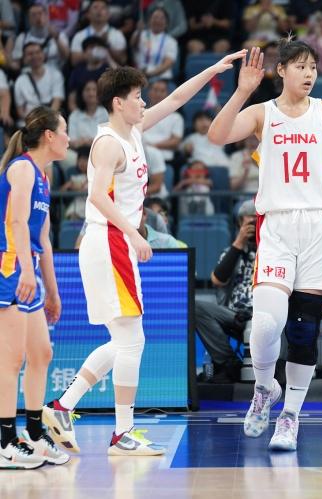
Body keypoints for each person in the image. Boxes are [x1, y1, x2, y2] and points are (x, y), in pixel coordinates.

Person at [42, 51, 248, 457]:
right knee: (131, 340)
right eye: (137, 96)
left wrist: (212, 69)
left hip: (112, 242)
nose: (143, 102)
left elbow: (176, 100)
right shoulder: (108, 144)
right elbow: (97, 196)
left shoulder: (134, 130)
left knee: (125, 340)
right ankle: (120, 433)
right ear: (118, 102)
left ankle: (63, 407)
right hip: (110, 241)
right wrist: (133, 234)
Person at [208, 40, 322, 452]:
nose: (309, 74)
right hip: (277, 225)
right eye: (300, 66)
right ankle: (264, 388)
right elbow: (217, 135)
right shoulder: (262, 113)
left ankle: (290, 417)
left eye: (313, 66)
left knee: (303, 328)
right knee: (265, 324)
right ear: (281, 71)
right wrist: (242, 91)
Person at [0, 106, 70, 469]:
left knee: (41, 353)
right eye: (65, 131)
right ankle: (4, 440)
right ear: (49, 136)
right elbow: (16, 222)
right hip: (9, 267)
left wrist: (52, 291)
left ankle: (33, 433)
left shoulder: (43, 175)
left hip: (26, 270)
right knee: (11, 358)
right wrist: (26, 271)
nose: (69, 138)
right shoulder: (22, 168)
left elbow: (43, 238)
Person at [195, 200, 258, 383]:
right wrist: (239, 243)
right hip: (235, 316)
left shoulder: (275, 251)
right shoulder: (231, 252)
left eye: (258, 222)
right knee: (196, 308)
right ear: (239, 223)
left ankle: (280, 366)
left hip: (269, 315)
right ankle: (229, 363)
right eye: (249, 222)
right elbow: (217, 280)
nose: (253, 226)